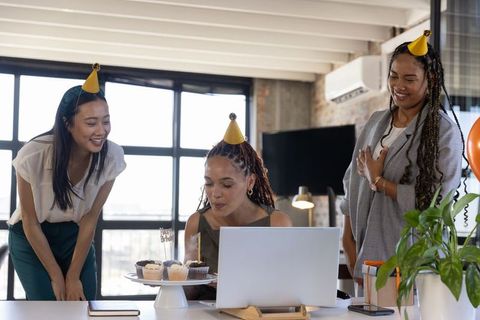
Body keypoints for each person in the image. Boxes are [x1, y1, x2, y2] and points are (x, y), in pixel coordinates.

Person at [340, 31, 464, 285]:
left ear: (429, 81)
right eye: (394, 76)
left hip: (410, 265)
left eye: (410, 79)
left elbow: (436, 202)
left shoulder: (443, 132)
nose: (399, 86)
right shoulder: (376, 123)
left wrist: (379, 180)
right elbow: (351, 181)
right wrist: (349, 246)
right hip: (366, 262)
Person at [7, 64, 126, 301]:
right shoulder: (32, 155)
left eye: (106, 121)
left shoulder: (112, 156)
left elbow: (90, 218)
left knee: (83, 303)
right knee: (48, 304)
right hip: (32, 235)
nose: (101, 131)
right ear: (67, 124)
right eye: (91, 123)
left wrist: (72, 277)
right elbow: (30, 222)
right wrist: (56, 276)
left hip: (75, 235)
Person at [183, 113, 292, 300]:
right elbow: (187, 295)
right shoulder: (196, 223)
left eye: (226, 184)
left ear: (250, 182)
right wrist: (185, 276)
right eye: (209, 183)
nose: (215, 193)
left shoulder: (278, 223)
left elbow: (289, 287)